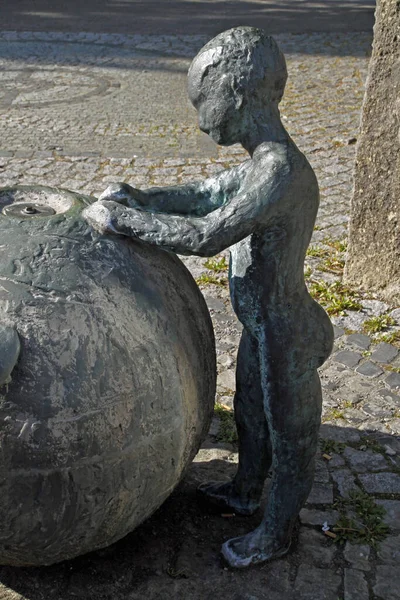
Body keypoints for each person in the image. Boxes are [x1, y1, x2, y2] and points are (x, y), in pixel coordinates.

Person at [84, 26, 334, 568]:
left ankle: (278, 530)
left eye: (203, 98)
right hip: (260, 324)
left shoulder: (279, 171)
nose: (198, 113)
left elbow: (209, 233)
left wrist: (124, 219)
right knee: (250, 414)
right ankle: (246, 491)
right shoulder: (257, 164)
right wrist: (144, 195)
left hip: (287, 331)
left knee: (290, 436)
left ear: (238, 94)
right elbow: (203, 195)